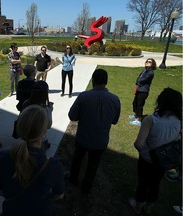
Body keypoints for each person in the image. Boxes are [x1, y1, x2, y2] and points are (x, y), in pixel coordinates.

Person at [0, 105, 65, 216]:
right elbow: (59, 195)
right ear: (44, 131)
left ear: (19, 127)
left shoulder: (2, 157)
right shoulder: (53, 166)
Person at [129, 87, 182, 215]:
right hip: (164, 160)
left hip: (147, 159)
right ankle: (148, 206)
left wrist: (146, 151)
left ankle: (138, 206)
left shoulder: (150, 119)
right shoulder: (179, 121)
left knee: (143, 183)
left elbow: (138, 144)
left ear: (160, 101)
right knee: (155, 183)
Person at [68, 69, 121, 195]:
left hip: (83, 138)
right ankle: (86, 188)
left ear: (93, 80)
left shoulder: (84, 96)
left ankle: (73, 179)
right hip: (100, 141)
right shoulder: (115, 99)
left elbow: (72, 116)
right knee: (93, 164)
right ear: (106, 81)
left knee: (77, 159)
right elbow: (114, 121)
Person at [23, 81, 53, 150]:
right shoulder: (44, 109)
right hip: (38, 140)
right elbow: (48, 125)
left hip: (26, 136)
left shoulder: (26, 103)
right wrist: (50, 111)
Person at [129, 58, 156, 126]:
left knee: (140, 105)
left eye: (149, 62)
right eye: (147, 61)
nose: (147, 62)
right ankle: (136, 115)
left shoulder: (150, 72)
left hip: (143, 91)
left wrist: (138, 81)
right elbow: (138, 78)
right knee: (135, 103)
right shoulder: (145, 70)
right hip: (139, 89)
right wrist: (138, 81)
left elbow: (143, 80)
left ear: (152, 64)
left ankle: (138, 119)